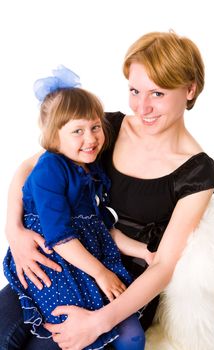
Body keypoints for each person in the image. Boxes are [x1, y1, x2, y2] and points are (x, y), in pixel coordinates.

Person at [1, 31, 214, 350]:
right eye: (135, 90)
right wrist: (14, 231)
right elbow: (31, 168)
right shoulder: (106, 128)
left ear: (189, 89)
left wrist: (99, 322)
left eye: (158, 94)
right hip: (64, 259)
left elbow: (164, 266)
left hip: (120, 290)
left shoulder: (196, 171)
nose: (143, 107)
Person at [2, 65, 150, 349]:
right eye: (78, 131)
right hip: (56, 263)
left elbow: (102, 228)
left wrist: (143, 250)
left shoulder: (88, 169)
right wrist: (100, 273)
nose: (91, 138)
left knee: (132, 332)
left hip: (88, 260)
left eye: (95, 127)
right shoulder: (50, 168)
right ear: (54, 137)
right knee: (65, 328)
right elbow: (59, 237)